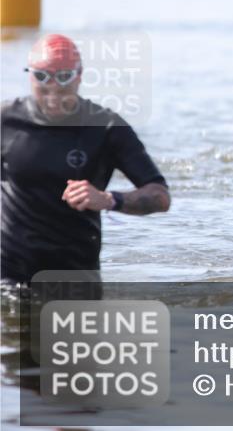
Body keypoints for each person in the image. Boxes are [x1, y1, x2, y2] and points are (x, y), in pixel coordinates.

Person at [1, 35, 170, 284]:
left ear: (79, 76)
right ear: (30, 76)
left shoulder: (106, 127)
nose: (53, 98)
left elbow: (160, 197)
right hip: (9, 273)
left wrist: (109, 199)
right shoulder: (6, 120)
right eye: (44, 86)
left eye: (63, 87)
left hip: (75, 276)